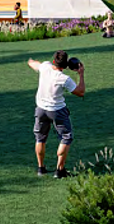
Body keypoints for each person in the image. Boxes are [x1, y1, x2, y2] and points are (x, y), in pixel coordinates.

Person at [27, 50, 85, 178]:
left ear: (53, 61)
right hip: (57, 111)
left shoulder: (45, 67)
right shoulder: (64, 79)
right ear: (66, 65)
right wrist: (81, 74)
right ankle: (59, 171)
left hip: (41, 109)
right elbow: (80, 92)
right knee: (66, 137)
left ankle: (41, 168)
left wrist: (31, 61)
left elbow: (33, 64)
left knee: (40, 138)